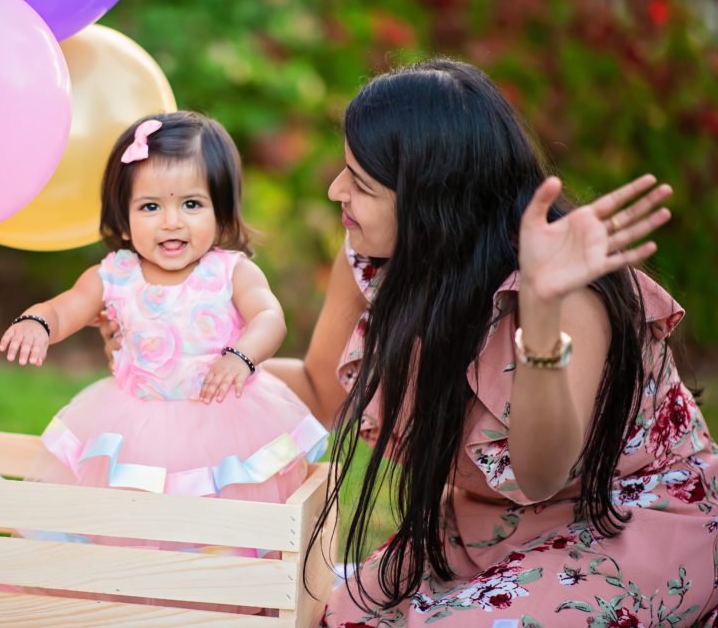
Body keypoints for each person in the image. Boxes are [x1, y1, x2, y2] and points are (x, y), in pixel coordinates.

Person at [102, 60, 717, 625]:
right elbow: (321, 388)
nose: (336, 191)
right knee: (339, 616)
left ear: (433, 204)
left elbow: (539, 474)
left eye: (362, 184)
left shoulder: (568, 292)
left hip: (625, 522)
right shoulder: (375, 260)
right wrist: (183, 365)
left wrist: (544, 309)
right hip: (483, 526)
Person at [0, 111, 327, 544]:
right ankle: (139, 582)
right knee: (136, 523)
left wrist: (241, 356)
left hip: (223, 423)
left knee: (223, 519)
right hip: (138, 425)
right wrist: (39, 321)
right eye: (150, 206)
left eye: (191, 204)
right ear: (124, 217)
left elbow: (270, 317)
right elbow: (68, 307)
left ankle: (226, 587)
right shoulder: (114, 274)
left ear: (221, 210)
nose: (171, 221)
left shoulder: (229, 272)